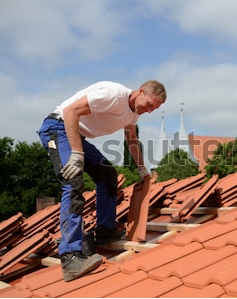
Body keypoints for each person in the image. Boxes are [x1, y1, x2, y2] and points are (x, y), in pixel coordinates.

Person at [37, 80, 166, 282]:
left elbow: (131, 138)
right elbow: (71, 111)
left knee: (107, 175)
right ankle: (70, 256)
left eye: (154, 109)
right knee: (73, 182)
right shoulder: (112, 94)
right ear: (140, 91)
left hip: (75, 135)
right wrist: (77, 154)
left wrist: (142, 167)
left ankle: (105, 231)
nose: (149, 111)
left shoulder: (135, 112)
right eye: (150, 105)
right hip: (58, 127)